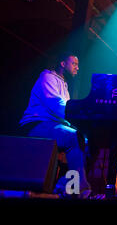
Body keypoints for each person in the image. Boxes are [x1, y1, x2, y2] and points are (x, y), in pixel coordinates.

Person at [19, 52, 91, 198]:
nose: (77, 68)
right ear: (63, 64)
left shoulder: (64, 85)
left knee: (85, 140)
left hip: (51, 125)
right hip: (36, 124)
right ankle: (78, 188)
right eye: (74, 64)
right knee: (74, 136)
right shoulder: (47, 77)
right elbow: (56, 106)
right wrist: (78, 118)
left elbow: (64, 111)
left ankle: (66, 186)